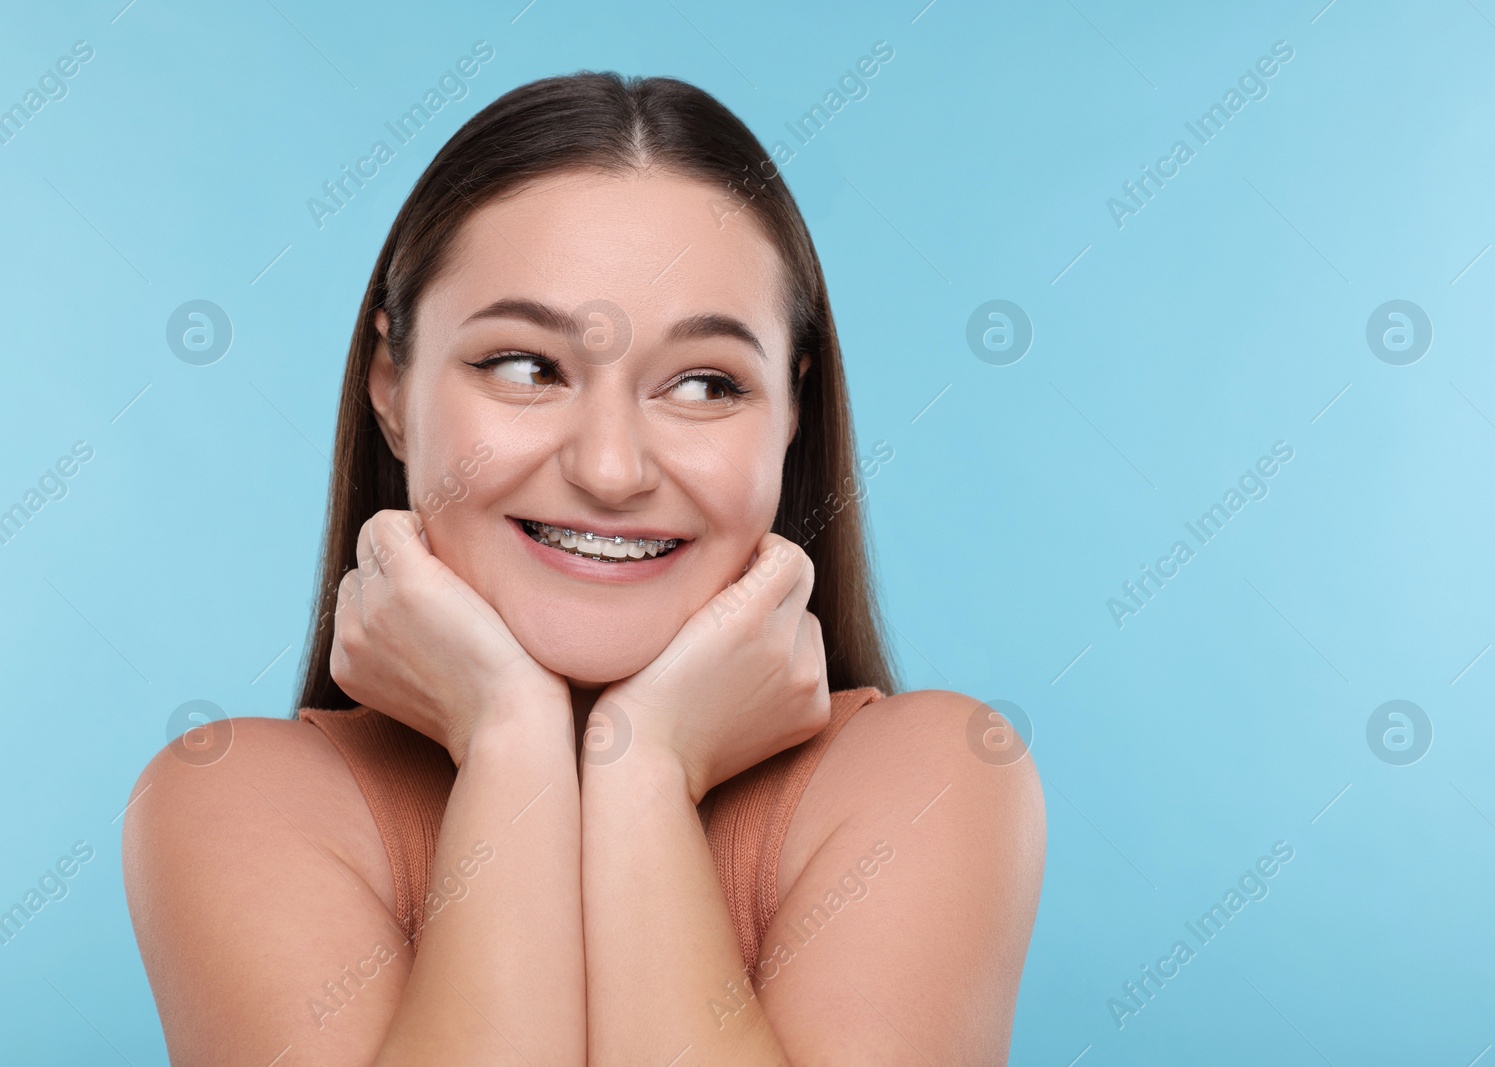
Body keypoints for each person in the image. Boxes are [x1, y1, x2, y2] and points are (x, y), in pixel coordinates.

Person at [123, 71, 1044, 1065]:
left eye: (704, 383)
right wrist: (512, 741)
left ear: (791, 411)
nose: (610, 468)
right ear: (391, 383)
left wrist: (643, 767)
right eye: (525, 366)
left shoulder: (933, 777)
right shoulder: (234, 800)